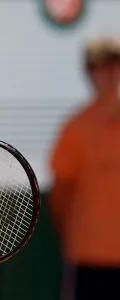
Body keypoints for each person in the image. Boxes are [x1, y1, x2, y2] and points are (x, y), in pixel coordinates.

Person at [49, 36, 120, 300]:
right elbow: (61, 195)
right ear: (90, 73)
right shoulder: (76, 128)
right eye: (101, 67)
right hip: (88, 257)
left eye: (114, 65)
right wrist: (77, 239)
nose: (109, 74)